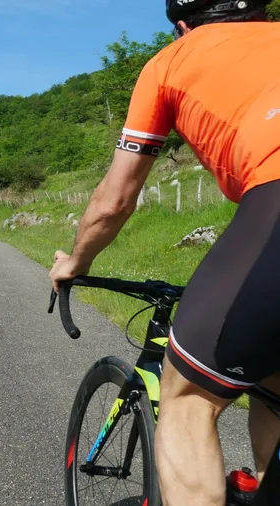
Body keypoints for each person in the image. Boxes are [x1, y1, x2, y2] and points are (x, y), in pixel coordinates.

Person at [48, 1, 280, 504]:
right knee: (273, 381)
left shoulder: (171, 61)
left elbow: (114, 201)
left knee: (188, 398)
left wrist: (75, 263)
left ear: (182, 25)